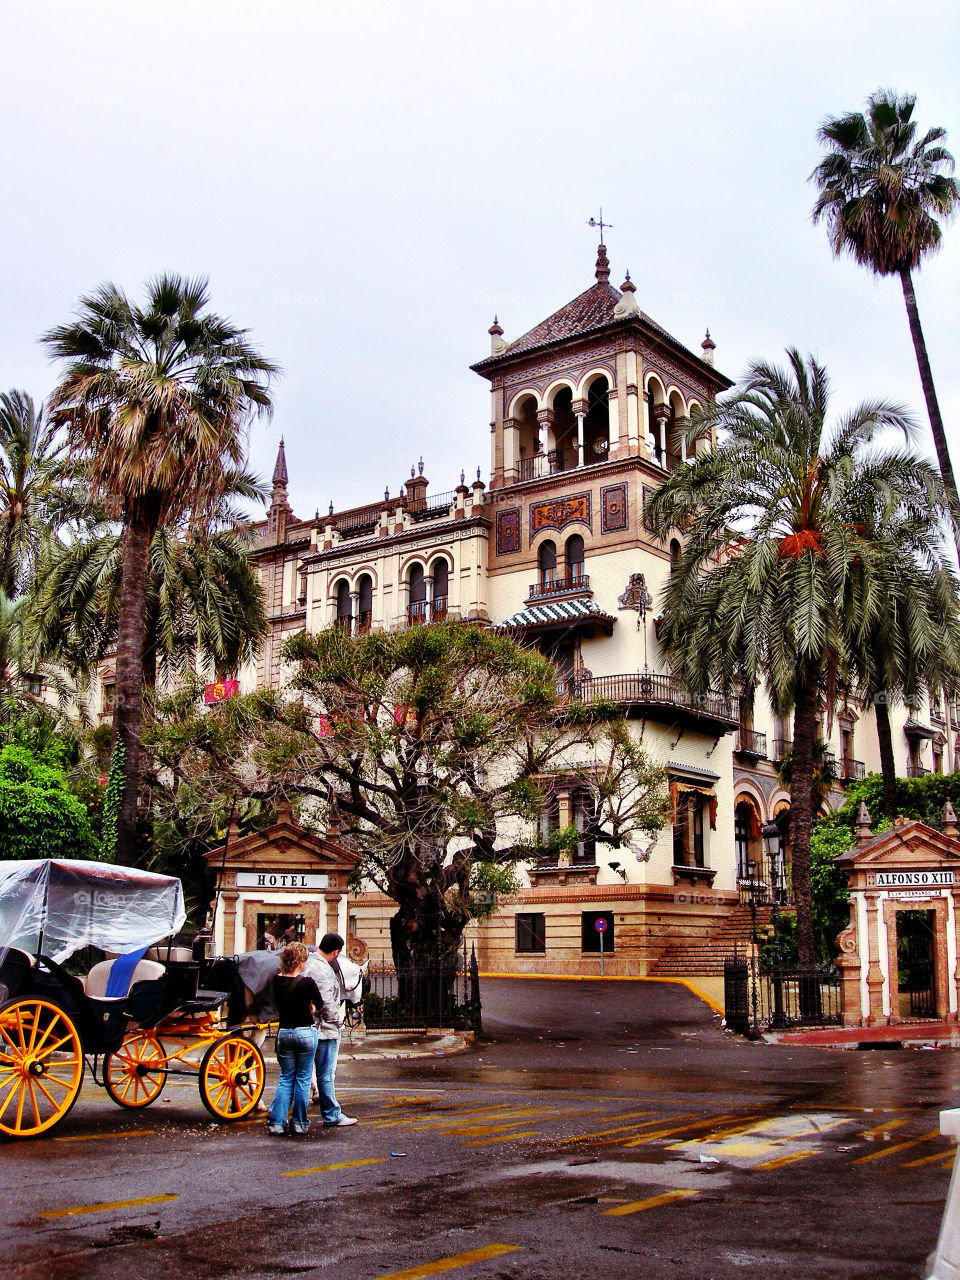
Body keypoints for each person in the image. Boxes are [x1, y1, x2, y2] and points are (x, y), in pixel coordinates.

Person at [266, 942, 322, 1136]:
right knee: (303, 1078)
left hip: (284, 1033)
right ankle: (299, 1123)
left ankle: (277, 1123)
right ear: (299, 962)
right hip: (305, 1032)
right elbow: (319, 1003)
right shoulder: (307, 982)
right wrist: (312, 1007)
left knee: (285, 1078)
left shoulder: (276, 980)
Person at [304, 932, 357, 1127]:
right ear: (336, 952)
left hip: (308, 1026)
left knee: (300, 1074)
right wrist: (337, 1022)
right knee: (325, 1074)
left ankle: (288, 1115)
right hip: (324, 1030)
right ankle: (332, 1114)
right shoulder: (323, 970)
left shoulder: (308, 963)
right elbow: (327, 1002)